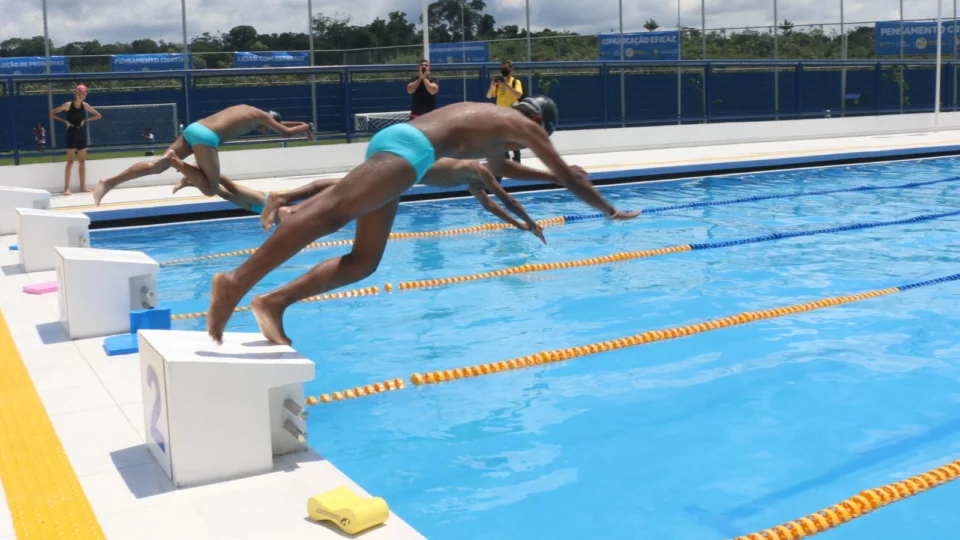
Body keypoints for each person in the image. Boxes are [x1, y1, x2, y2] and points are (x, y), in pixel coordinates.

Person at [205, 96, 639, 345]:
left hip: (404, 145)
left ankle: (274, 302)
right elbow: (569, 180)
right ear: (541, 121)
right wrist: (609, 210)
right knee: (333, 211)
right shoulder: (526, 127)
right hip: (413, 149)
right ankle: (237, 282)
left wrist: (550, 177)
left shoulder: (500, 120)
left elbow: (502, 170)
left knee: (364, 261)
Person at [174, 159, 544, 235]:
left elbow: (495, 205)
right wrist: (528, 221)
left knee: (339, 190)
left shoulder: (474, 182)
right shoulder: (478, 170)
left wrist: (518, 228)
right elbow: (505, 198)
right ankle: (283, 198)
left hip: (397, 178)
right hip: (395, 169)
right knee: (339, 189)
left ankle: (283, 200)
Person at [92, 105, 315, 206]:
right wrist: (305, 129)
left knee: (156, 166)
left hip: (194, 128)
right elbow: (284, 130)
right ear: (269, 120)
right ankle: (179, 165)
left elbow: (281, 124)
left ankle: (109, 182)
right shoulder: (261, 118)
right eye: (268, 127)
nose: (265, 131)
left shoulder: (249, 111)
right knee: (210, 189)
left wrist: (305, 124)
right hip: (207, 138)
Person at [50, 84, 102, 195]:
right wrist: (65, 122)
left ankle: (83, 187)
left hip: (81, 133)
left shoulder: (85, 105)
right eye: (79, 94)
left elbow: (98, 115)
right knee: (70, 161)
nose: (81, 96)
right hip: (71, 132)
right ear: (75, 93)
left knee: (82, 161)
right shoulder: (68, 105)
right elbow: (52, 113)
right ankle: (66, 188)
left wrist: (85, 121)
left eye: (83, 94)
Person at [487, 60, 524, 168]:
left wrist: (506, 85)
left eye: (506, 68)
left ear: (510, 70)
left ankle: (517, 161)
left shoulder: (515, 82)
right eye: (502, 68)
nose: (503, 70)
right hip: (500, 115)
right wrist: (492, 86)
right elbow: (489, 96)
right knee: (502, 139)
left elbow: (518, 94)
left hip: (512, 114)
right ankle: (506, 160)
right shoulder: (498, 84)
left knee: (513, 138)